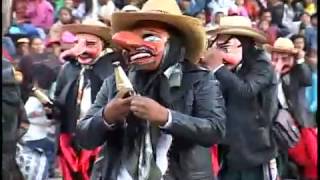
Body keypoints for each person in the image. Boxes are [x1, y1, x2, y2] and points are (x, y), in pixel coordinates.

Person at [76, 0, 226, 179]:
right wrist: (107, 116)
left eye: (150, 37)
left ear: (174, 43)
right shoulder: (114, 82)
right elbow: (84, 137)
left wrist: (167, 118)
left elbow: (215, 130)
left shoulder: (199, 79)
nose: (135, 45)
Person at [202, 16, 278, 180]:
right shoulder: (230, 67)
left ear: (243, 43)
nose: (221, 51)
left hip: (255, 149)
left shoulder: (261, 64)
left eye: (225, 46)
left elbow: (246, 90)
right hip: (229, 149)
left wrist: (219, 68)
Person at [53, 19, 123, 180]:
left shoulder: (113, 71)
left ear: (103, 46)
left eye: (90, 44)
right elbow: (59, 101)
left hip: (101, 144)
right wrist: (53, 109)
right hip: (70, 142)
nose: (82, 50)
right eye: (77, 43)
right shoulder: (68, 69)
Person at [265, 37, 316, 180]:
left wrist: (299, 60)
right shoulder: (269, 74)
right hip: (277, 126)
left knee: (305, 161)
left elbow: (307, 79)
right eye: (276, 57)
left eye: (285, 58)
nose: (280, 61)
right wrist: (276, 69)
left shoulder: (297, 72)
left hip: (298, 123)